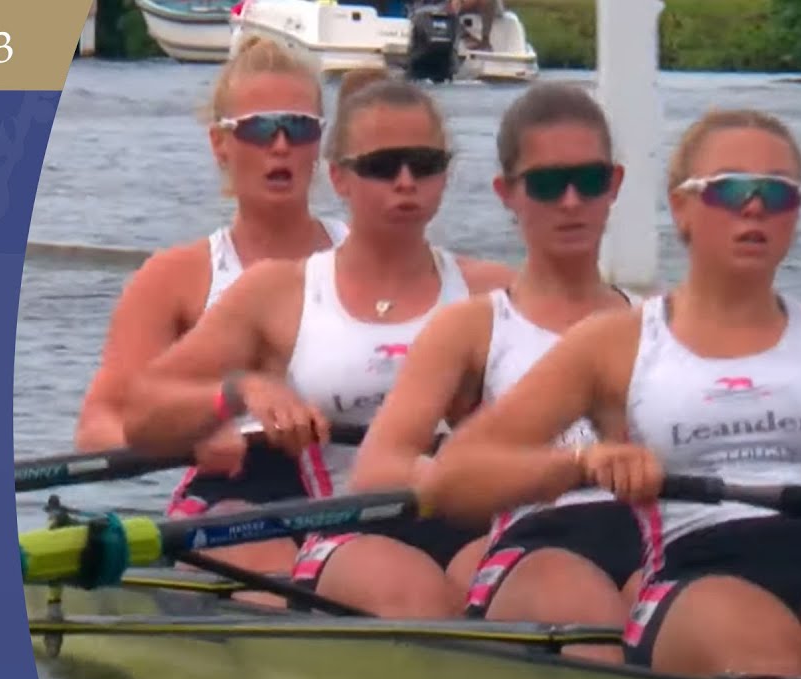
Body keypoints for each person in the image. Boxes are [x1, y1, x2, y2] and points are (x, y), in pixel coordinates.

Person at [421, 107, 801, 677]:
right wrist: (581, 465)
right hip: (689, 578)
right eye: (729, 190)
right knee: (764, 650)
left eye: (778, 192)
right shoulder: (614, 343)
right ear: (681, 207)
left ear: (796, 213)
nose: (755, 206)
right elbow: (455, 478)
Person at [121, 69, 514, 615]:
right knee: (414, 595)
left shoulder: (491, 290)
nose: (405, 181)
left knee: (530, 589)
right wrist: (238, 393)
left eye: (424, 165)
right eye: (381, 167)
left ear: (445, 177)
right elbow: (139, 413)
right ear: (340, 179)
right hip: (336, 527)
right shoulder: (279, 291)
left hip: (456, 518)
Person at [351, 82, 642, 662]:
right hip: (533, 548)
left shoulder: (657, 324)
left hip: (647, 546)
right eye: (545, 183)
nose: (569, 202)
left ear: (614, 186)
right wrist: (538, 470)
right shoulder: (473, 328)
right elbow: (376, 471)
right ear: (507, 193)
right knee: (591, 614)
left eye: (587, 182)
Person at [73, 37, 347, 581]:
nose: (281, 146)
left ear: (320, 143)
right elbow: (98, 425)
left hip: (357, 486)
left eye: (299, 128)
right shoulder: (176, 277)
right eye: (259, 128)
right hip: (233, 495)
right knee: (270, 562)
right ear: (220, 143)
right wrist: (191, 438)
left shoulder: (367, 258)